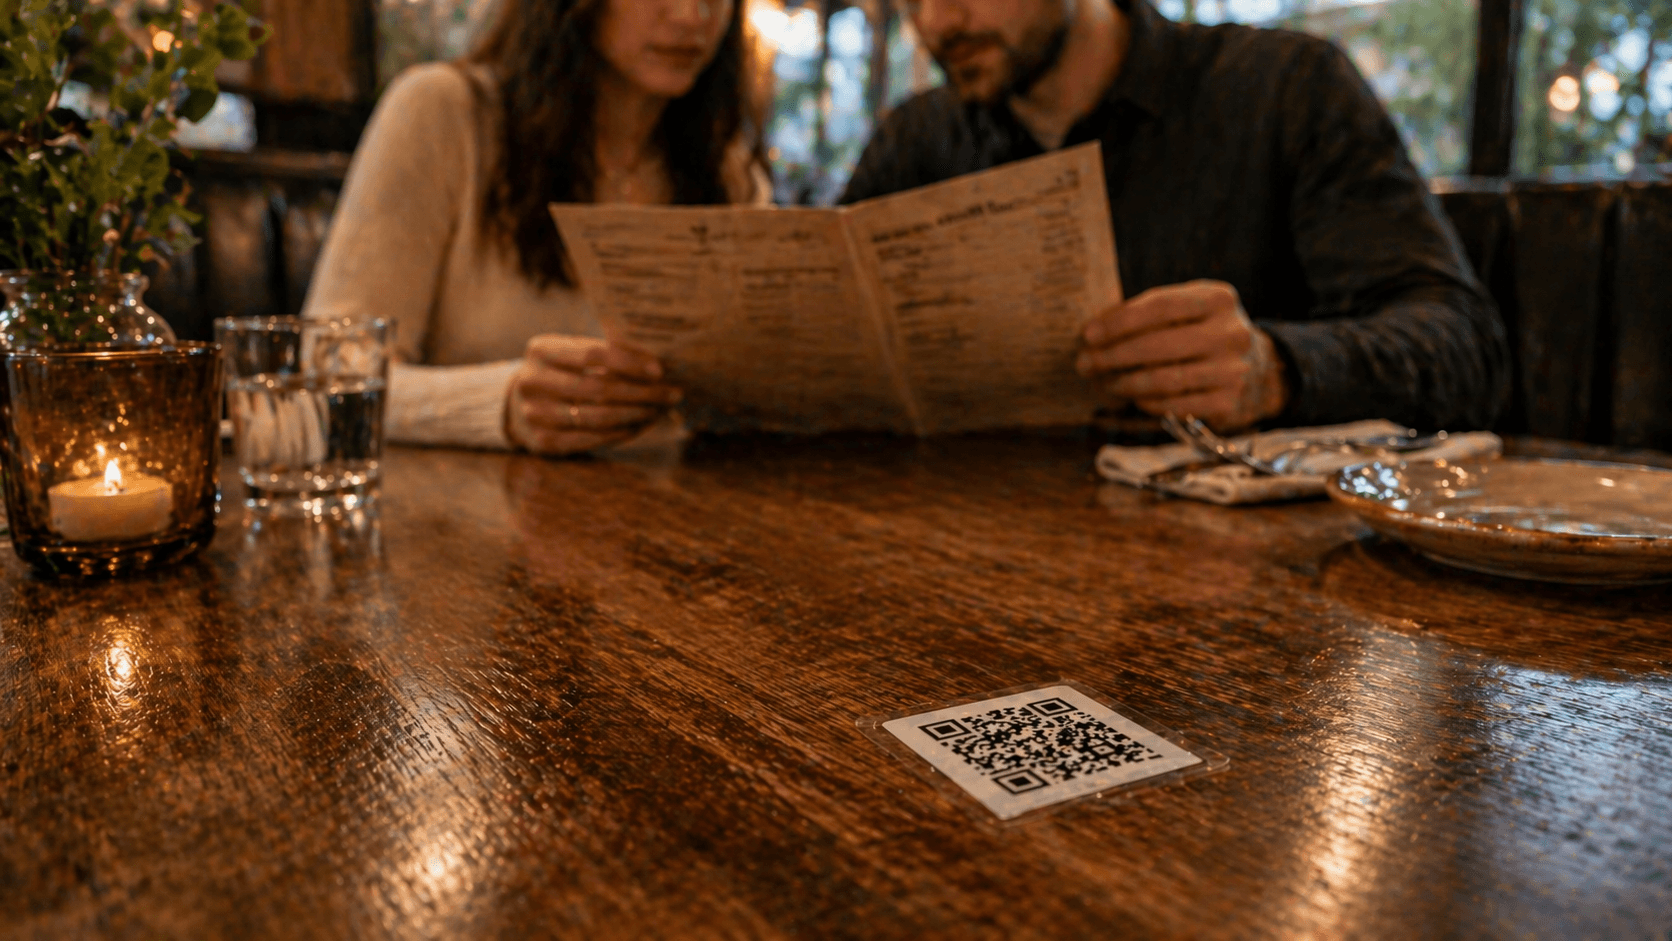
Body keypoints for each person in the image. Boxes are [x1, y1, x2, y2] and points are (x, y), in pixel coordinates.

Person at [842, 0, 1510, 433]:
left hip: (1243, 591)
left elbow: (1465, 347)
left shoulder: (1286, 89)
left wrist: (1276, 370)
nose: (937, 22)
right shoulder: (917, 140)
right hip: (959, 561)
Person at [305, 0, 765, 455]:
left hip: (676, 515)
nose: (691, 16)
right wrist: (499, 403)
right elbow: (327, 376)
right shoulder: (444, 112)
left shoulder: (727, 172)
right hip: (461, 514)